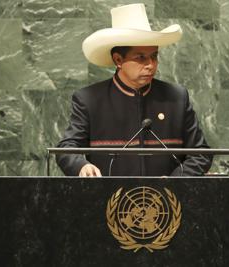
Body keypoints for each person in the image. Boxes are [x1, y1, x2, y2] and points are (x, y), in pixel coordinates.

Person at [56, 3, 212, 177]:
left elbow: (201, 154)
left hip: (168, 201)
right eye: (141, 58)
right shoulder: (89, 99)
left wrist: (174, 182)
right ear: (118, 60)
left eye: (154, 56)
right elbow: (66, 149)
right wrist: (81, 166)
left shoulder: (176, 97)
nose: (150, 65)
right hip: (108, 201)